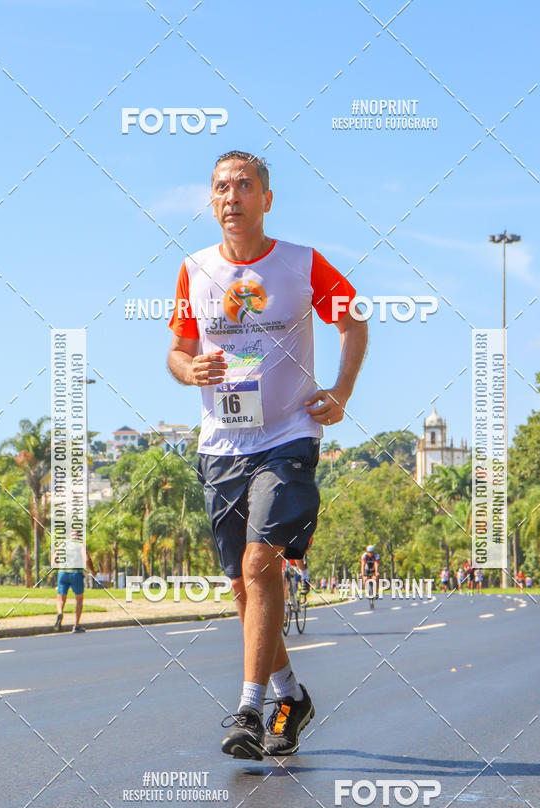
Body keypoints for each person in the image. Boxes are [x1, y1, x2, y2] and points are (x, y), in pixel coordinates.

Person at [167, 151, 367, 760]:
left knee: (262, 565)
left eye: (245, 186)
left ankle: (250, 708)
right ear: (211, 200)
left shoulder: (302, 264)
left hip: (286, 438)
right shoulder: (193, 270)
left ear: (266, 199)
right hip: (221, 445)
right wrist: (188, 368)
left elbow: (353, 322)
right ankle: (291, 694)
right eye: (222, 187)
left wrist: (341, 391)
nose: (232, 197)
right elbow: (176, 352)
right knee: (242, 590)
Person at [54, 545, 97, 633]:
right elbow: (87, 559)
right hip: (75, 573)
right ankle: (76, 625)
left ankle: (60, 612)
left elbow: (55, 559)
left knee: (61, 598)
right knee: (79, 599)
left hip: (62, 573)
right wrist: (92, 570)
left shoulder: (62, 544)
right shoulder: (81, 545)